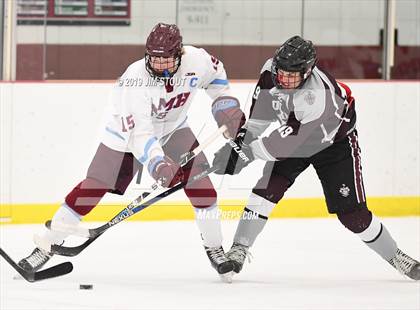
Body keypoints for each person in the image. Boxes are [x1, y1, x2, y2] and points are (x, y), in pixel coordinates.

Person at [18, 23, 246, 280]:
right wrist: (158, 163)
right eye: (154, 59)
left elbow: (216, 76)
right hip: (125, 137)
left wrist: (224, 106)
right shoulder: (134, 79)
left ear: (180, 54)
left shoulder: (198, 60)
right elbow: (141, 134)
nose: (158, 66)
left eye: (165, 60)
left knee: (202, 187)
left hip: (174, 130)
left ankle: (215, 249)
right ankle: (44, 247)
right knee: (91, 188)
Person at [212, 35, 420, 280]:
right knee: (264, 191)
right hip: (293, 135)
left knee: (353, 216)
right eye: (282, 73)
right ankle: (239, 247)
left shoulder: (318, 96)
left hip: (334, 145)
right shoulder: (270, 72)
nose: (284, 80)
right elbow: (259, 119)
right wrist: (238, 147)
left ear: (308, 72)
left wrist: (246, 155)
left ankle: (394, 255)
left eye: (292, 76)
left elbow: (281, 144)